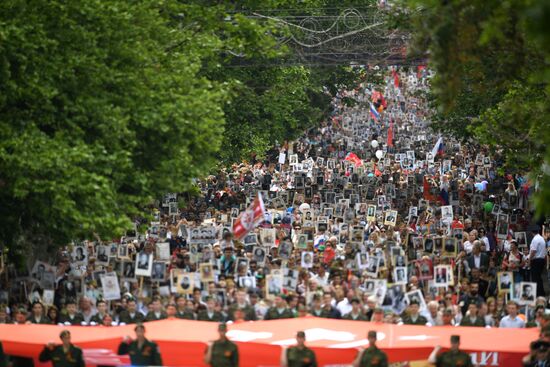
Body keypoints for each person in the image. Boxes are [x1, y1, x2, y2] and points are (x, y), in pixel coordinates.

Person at [528, 225, 546, 297]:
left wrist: (529, 259)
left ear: (532, 232)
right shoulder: (541, 238)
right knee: (538, 277)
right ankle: (541, 293)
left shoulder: (535, 239)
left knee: (535, 278)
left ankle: (538, 294)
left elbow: (533, 251)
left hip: (536, 260)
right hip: (541, 259)